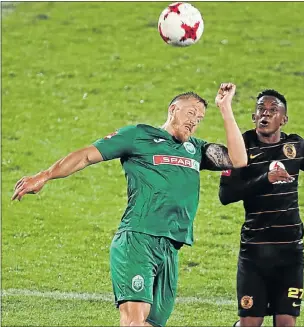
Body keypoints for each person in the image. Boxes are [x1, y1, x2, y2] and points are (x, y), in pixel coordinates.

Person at [12, 83, 247, 327]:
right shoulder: (138, 135)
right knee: (135, 321)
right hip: (138, 239)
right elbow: (85, 155)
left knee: (152, 323)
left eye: (199, 118)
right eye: (190, 113)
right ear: (173, 109)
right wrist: (45, 175)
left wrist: (225, 108)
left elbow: (239, 159)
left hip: (170, 248)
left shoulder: (196, 149)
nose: (194, 121)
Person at [218, 89, 304, 327]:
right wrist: (265, 179)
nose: (265, 114)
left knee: (286, 322)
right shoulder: (242, 145)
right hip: (254, 251)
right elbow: (225, 195)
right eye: (261, 109)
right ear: (253, 116)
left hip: (290, 252)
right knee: (250, 323)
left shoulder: (295, 145)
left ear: (284, 119)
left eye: (272, 110)